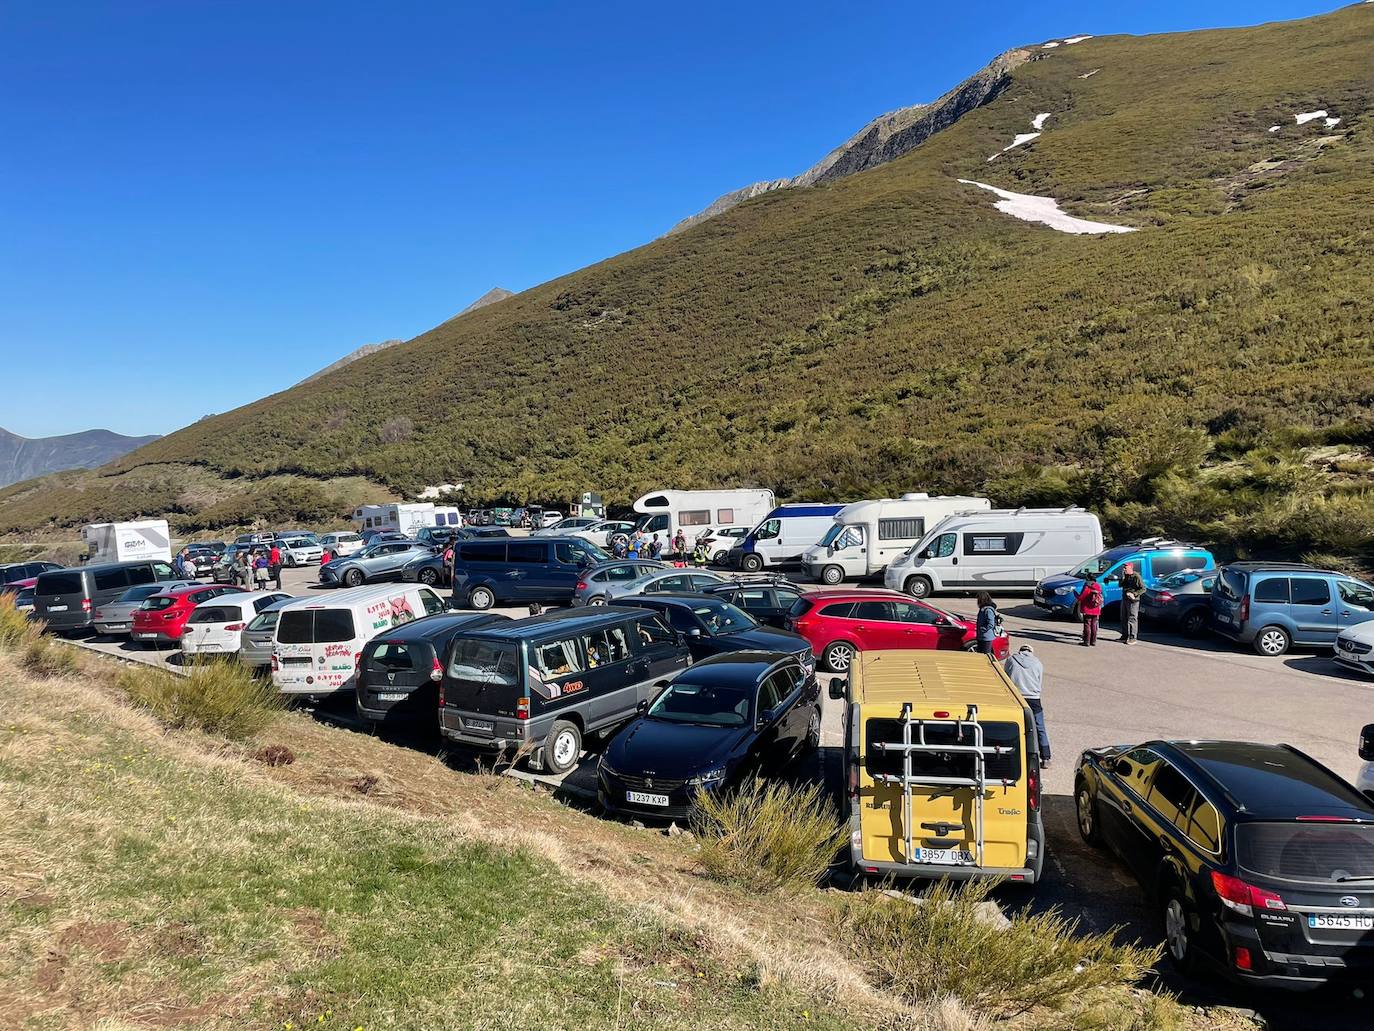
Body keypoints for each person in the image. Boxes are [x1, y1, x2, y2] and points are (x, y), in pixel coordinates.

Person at [1004, 645, 1050, 767]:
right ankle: (1046, 757)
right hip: (1034, 698)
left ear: (1020, 651)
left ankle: (1009, 752)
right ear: (1031, 652)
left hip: (1015, 696)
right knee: (1040, 727)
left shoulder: (1011, 660)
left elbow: (1005, 677)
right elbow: (1039, 681)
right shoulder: (1038, 662)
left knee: (1011, 724)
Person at [1118, 562, 1145, 643]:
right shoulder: (1125, 576)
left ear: (1130, 568)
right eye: (1123, 568)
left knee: (1132, 618)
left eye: (1125, 568)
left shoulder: (1136, 576)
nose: (1124, 569)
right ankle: (1124, 636)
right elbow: (1120, 585)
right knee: (1123, 617)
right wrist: (1122, 577)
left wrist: (1134, 594)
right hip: (1125, 598)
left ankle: (1132, 638)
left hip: (1133, 600)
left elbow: (1143, 588)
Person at [1077, 574, 1104, 647]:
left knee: (1087, 624)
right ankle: (1093, 641)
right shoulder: (1098, 586)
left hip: (1087, 608)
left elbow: (1081, 597)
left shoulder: (1086, 586)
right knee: (1094, 624)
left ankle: (1087, 641)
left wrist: (1075, 594)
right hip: (1096, 608)